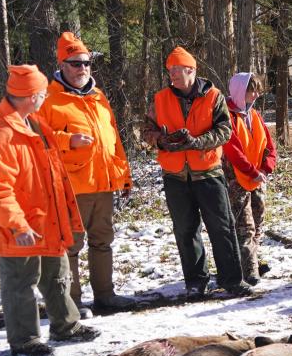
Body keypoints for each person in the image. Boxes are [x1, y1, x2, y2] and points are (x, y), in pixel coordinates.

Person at [0, 64, 101, 356]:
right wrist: (17, 225)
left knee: (58, 275)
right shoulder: (1, 133)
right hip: (20, 226)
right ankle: (25, 341)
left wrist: (70, 140)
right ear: (32, 95)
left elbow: (44, 147)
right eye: (43, 92)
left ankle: (66, 326)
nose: (46, 96)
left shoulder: (32, 121)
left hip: (47, 219)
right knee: (20, 283)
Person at [141, 46, 252, 299]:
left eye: (177, 70)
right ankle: (195, 283)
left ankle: (232, 281)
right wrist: (162, 140)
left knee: (222, 228)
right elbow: (146, 130)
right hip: (175, 177)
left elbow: (225, 131)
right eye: (170, 71)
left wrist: (196, 142)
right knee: (185, 230)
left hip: (209, 174)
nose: (172, 76)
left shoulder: (214, 97)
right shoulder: (159, 99)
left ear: (191, 70)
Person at [39, 31, 135, 314]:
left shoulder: (98, 97)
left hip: (103, 183)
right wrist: (68, 140)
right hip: (71, 186)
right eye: (76, 63)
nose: (82, 68)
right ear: (62, 65)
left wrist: (124, 175)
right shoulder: (49, 99)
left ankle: (106, 296)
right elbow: (37, 138)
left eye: (86, 63)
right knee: (71, 246)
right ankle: (72, 304)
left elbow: (114, 139)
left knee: (103, 241)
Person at [222, 73, 277, 286]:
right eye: (250, 90)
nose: (255, 94)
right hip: (237, 179)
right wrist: (251, 170)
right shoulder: (226, 116)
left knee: (258, 220)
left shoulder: (254, 115)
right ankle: (249, 270)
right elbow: (233, 148)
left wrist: (266, 167)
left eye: (256, 90)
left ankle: (253, 260)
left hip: (258, 178)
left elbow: (269, 146)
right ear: (238, 91)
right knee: (245, 225)